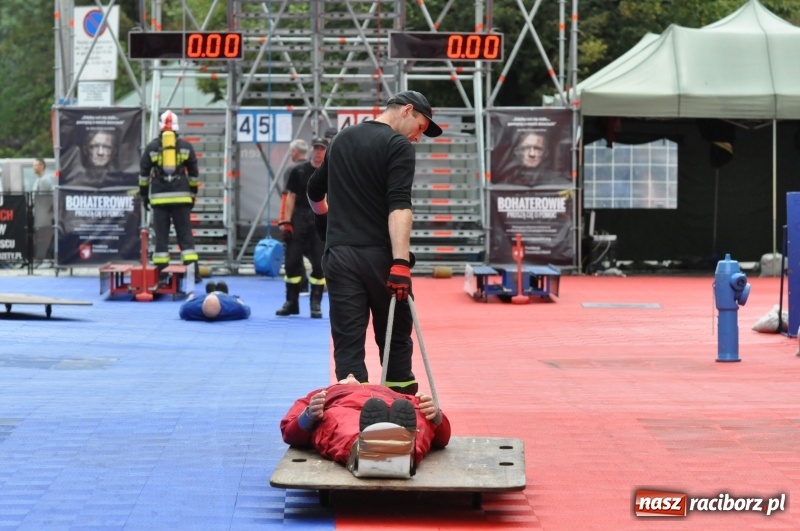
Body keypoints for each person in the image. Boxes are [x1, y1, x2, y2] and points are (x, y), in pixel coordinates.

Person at [307, 90, 442, 395]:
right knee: (395, 342)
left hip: (340, 259)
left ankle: (353, 421)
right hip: (381, 259)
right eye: (420, 127)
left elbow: (314, 191)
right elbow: (399, 206)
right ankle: (400, 416)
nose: (418, 138)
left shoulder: (340, 140)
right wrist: (400, 262)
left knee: (348, 345)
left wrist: (324, 226)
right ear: (407, 111)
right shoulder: (398, 146)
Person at [280, 373, 450, 469]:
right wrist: (309, 416)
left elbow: (442, 439)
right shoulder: (323, 394)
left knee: (421, 415)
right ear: (339, 382)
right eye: (347, 376)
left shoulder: (394, 395)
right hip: (343, 407)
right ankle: (376, 448)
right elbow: (289, 430)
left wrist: (435, 415)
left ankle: (387, 448)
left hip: (393, 407)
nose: (351, 375)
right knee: (339, 420)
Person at [139, 110, 201, 283]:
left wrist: (145, 196)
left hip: (159, 200)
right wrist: (192, 194)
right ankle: (192, 274)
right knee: (186, 238)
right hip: (182, 199)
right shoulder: (186, 147)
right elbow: (194, 175)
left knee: (161, 239)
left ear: (160, 127)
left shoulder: (151, 148)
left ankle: (161, 275)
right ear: (176, 127)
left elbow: (143, 176)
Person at [276, 137, 328, 318]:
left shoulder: (332, 172)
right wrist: (286, 222)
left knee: (320, 265)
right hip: (299, 218)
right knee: (291, 262)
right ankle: (291, 302)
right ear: (312, 150)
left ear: (326, 151)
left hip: (320, 219)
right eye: (316, 148)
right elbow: (290, 198)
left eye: (322, 148)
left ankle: (315, 304)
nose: (318, 151)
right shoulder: (298, 171)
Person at [281, 139, 310, 293]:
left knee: (294, 253)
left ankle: (301, 285)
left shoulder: (291, 171)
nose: (291, 154)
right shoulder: (316, 168)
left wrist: (285, 220)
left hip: (297, 218)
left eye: (292, 151)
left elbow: (287, 197)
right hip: (315, 218)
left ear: (296, 152)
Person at [179, 281, 251, 321]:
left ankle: (211, 292)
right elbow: (246, 309)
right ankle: (220, 292)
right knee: (222, 286)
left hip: (208, 297)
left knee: (209, 285)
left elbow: (183, 307)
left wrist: (190, 299)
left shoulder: (190, 309)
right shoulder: (235, 308)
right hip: (223, 298)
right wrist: (239, 301)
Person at [31, 158, 55, 269]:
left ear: (42, 166)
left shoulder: (45, 180)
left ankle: (47, 260)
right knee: (39, 238)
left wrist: (43, 214)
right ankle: (39, 259)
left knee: (45, 237)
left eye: (35, 165)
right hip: (38, 214)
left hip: (44, 215)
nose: (33, 168)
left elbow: (45, 200)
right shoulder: (38, 180)